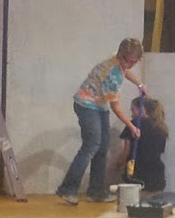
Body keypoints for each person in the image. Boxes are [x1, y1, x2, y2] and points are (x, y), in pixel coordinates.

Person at [56, 38, 146, 206]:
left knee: (103, 146)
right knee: (91, 145)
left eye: (135, 62)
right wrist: (132, 126)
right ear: (121, 56)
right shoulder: (111, 74)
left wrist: (139, 84)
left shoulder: (119, 61)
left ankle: (96, 191)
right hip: (86, 104)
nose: (131, 65)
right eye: (129, 61)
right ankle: (67, 189)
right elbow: (116, 107)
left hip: (99, 104)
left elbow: (126, 71)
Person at [122, 94, 169, 194]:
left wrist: (116, 166)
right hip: (157, 176)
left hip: (138, 175)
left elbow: (126, 151)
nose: (131, 115)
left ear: (142, 109)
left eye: (133, 110)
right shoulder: (161, 128)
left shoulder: (133, 125)